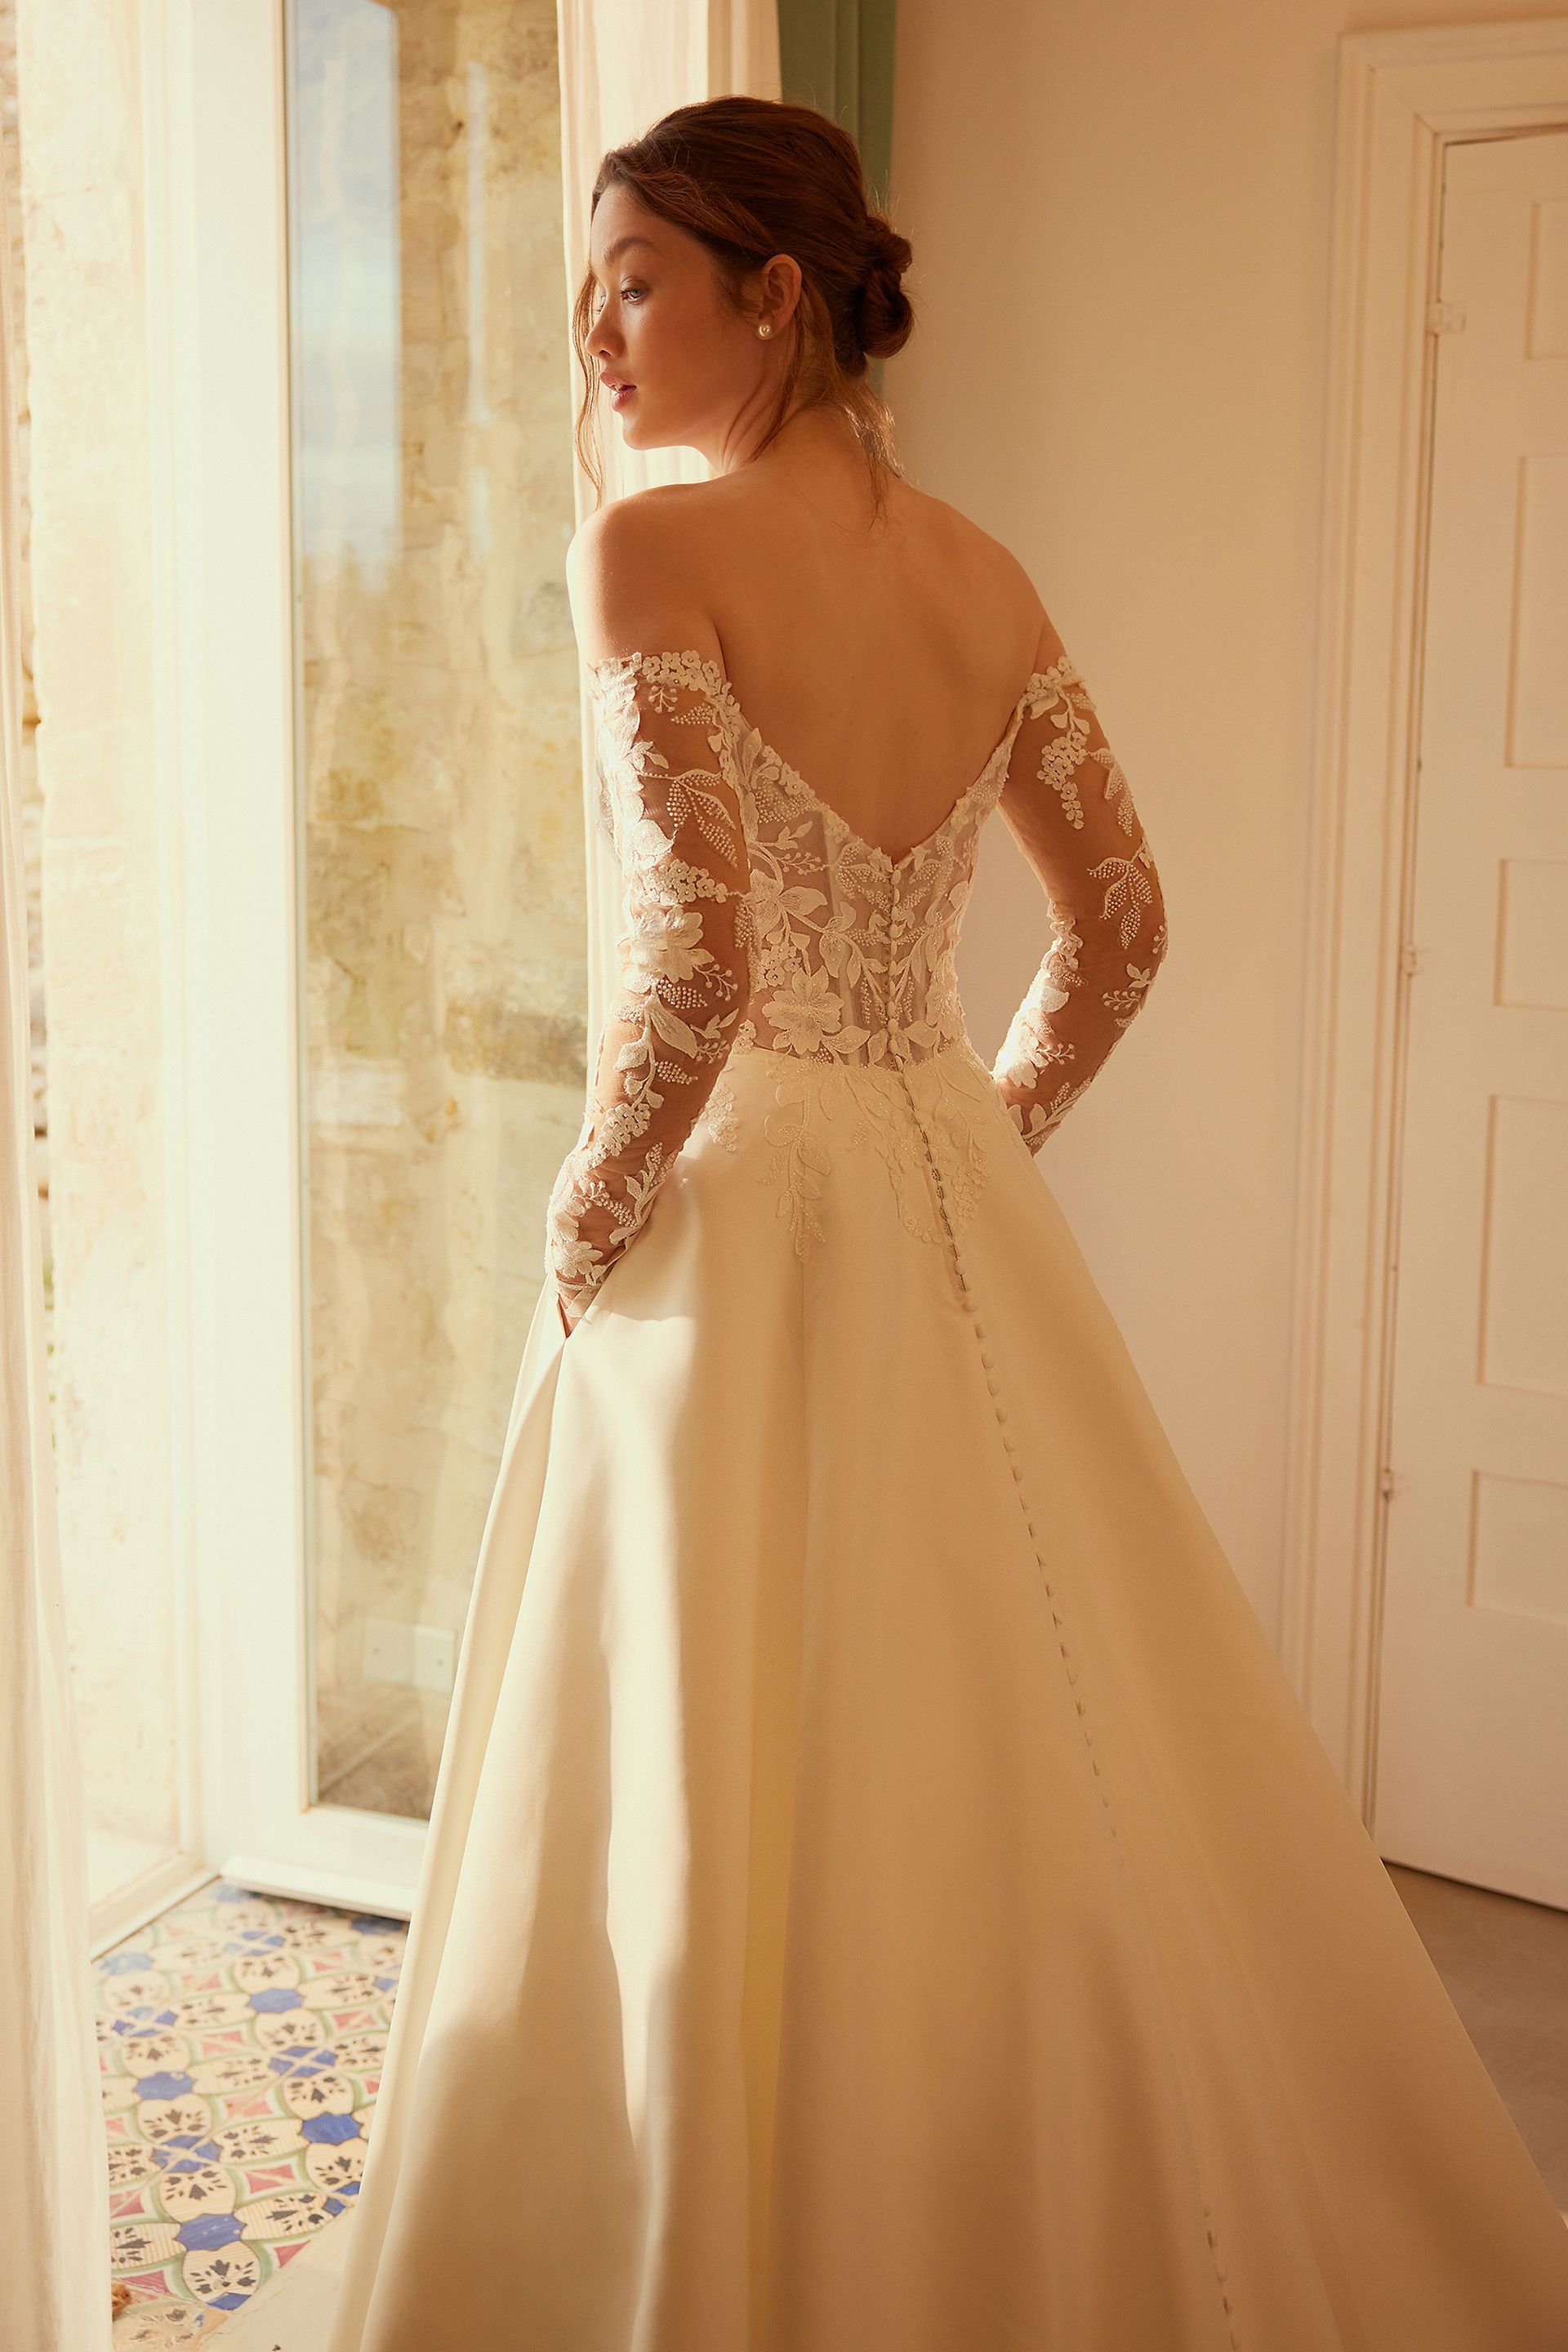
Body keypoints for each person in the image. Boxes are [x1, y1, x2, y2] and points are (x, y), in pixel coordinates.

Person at [326, 95, 1568, 2352]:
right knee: (1006, 1740)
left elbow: (704, 957)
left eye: (633, 281)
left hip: (735, 1210)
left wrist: (587, 1217)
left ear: (773, 293)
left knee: (724, 1755)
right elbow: (1128, 929)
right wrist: (973, 1134)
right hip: (936, 1180)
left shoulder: (649, 554)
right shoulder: (989, 579)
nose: (594, 333)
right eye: (589, 289)